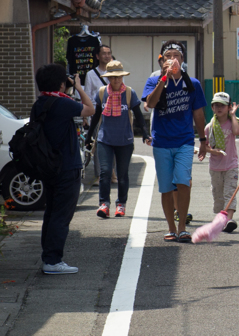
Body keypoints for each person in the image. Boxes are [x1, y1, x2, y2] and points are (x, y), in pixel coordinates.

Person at [143, 41, 209, 243]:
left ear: (182, 59)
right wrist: (163, 79)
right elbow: (150, 103)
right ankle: (171, 228)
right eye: (168, 56)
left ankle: (182, 228)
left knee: (183, 182)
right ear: (161, 60)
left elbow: (198, 113)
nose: (173, 59)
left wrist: (203, 140)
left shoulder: (193, 83)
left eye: (176, 56)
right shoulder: (153, 80)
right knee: (165, 187)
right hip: (162, 141)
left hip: (184, 141)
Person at [34, 64, 95, 274]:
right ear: (61, 83)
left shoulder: (40, 103)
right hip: (67, 167)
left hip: (49, 165)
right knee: (61, 215)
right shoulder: (62, 103)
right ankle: (52, 261)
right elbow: (90, 108)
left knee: (51, 213)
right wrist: (78, 87)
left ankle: (48, 256)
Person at [85, 60, 148, 218]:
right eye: (113, 77)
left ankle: (121, 204)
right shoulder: (102, 93)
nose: (116, 80)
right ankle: (104, 204)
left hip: (125, 140)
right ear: (108, 78)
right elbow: (96, 116)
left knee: (122, 174)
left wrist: (145, 132)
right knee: (105, 172)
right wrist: (89, 135)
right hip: (104, 139)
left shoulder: (129, 93)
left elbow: (138, 115)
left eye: (119, 77)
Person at [206, 92, 239, 232]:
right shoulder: (209, 127)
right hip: (215, 166)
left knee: (230, 192)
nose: (219, 108)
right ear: (212, 107)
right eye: (216, 105)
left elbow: (237, 132)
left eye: (222, 105)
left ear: (229, 107)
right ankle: (222, 219)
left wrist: (233, 115)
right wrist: (212, 151)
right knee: (218, 194)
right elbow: (204, 146)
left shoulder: (232, 123)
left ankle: (229, 219)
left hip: (231, 165)